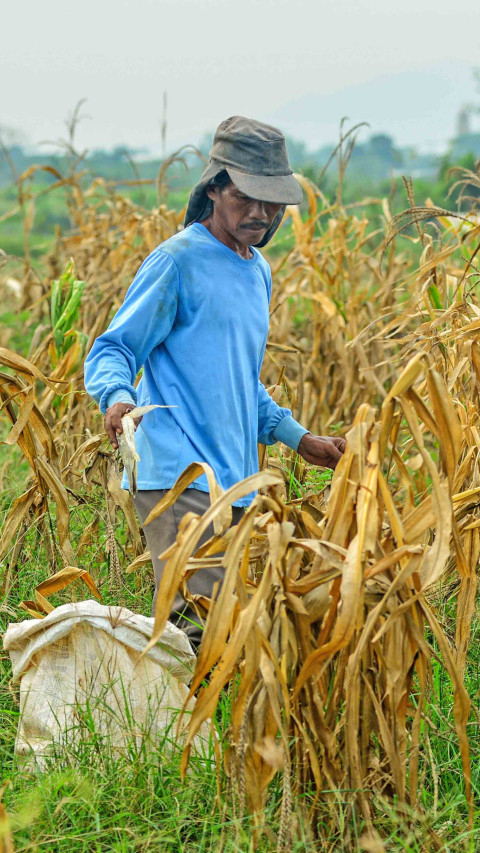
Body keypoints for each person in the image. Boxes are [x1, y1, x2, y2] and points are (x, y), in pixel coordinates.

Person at [84, 116, 346, 646]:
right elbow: (113, 347)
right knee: (203, 631)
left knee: (233, 631)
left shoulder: (257, 270)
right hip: (180, 475)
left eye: (272, 201)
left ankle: (203, 729)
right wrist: (117, 396)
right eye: (246, 197)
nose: (260, 212)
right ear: (214, 188)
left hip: (234, 481)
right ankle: (183, 731)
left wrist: (300, 439)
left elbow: (239, 381)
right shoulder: (178, 260)